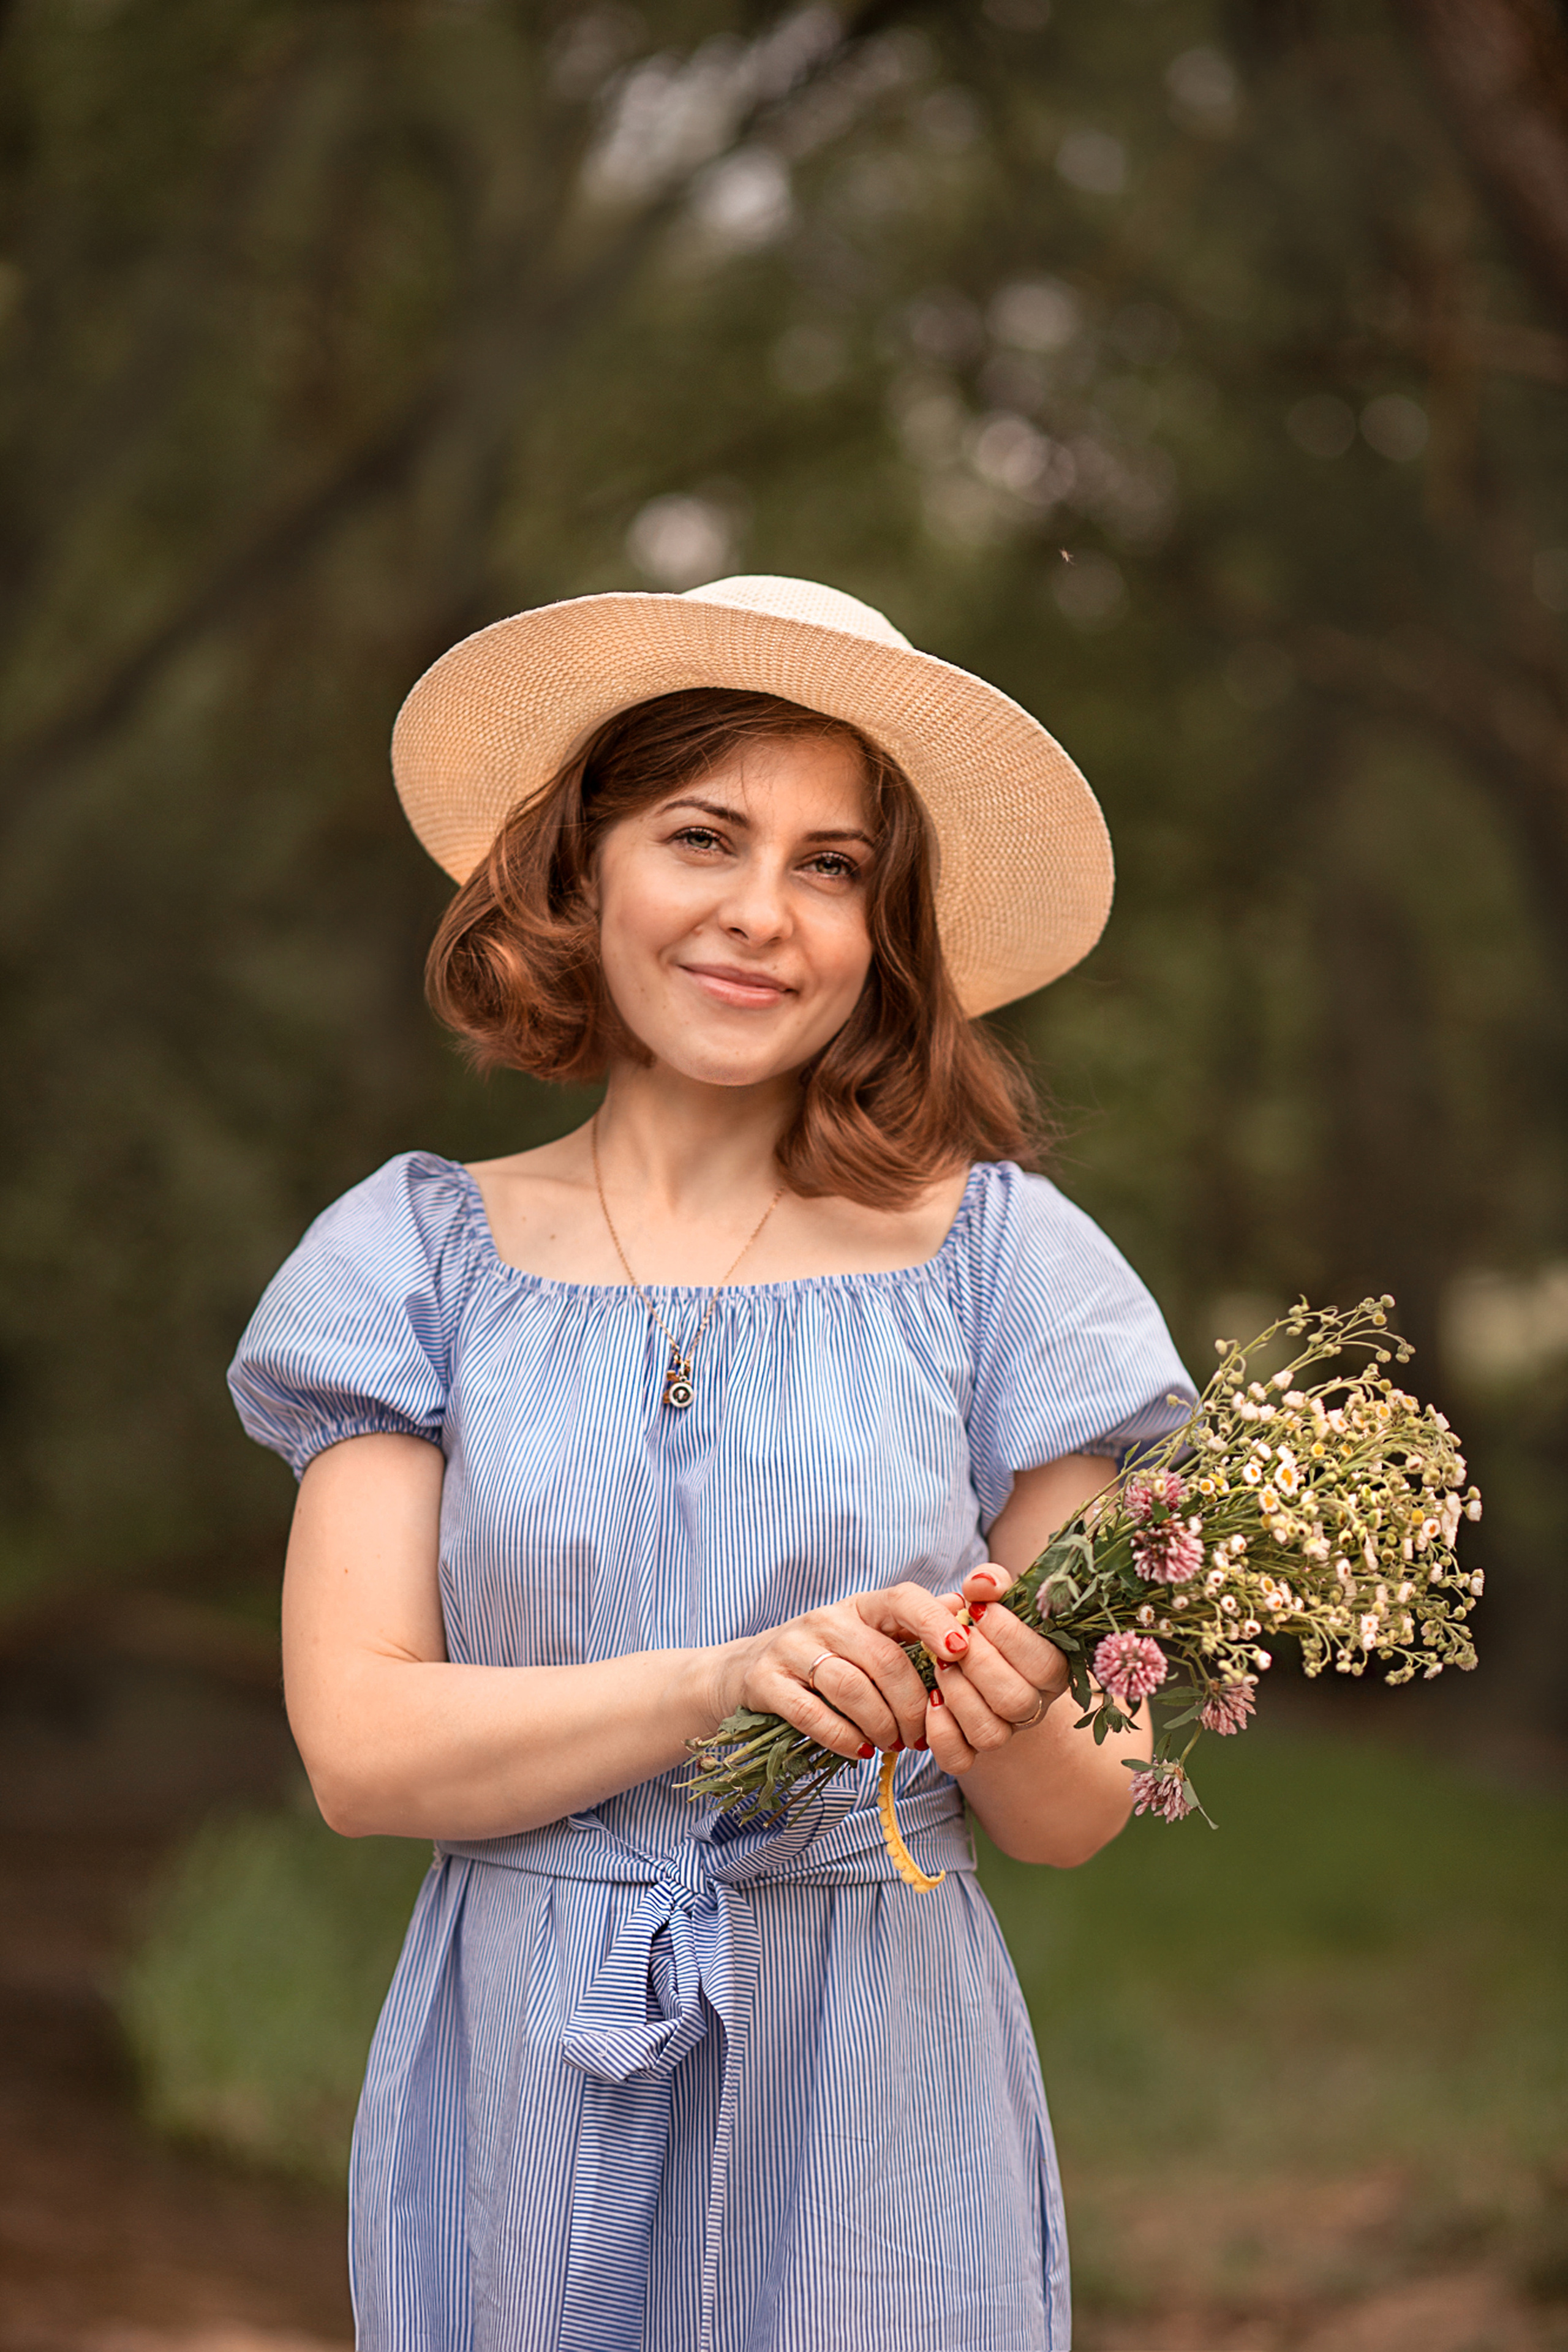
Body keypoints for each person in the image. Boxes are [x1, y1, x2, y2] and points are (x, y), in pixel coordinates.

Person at [229, 573, 1194, 2352]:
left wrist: (994, 1707)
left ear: (883, 929)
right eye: (704, 836)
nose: (764, 916)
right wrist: (725, 1683)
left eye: (833, 867)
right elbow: (359, 1750)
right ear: (581, 868)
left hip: (881, 2075)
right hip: (524, 2059)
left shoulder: (1012, 1271)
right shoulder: (414, 1260)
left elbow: (1072, 1818)